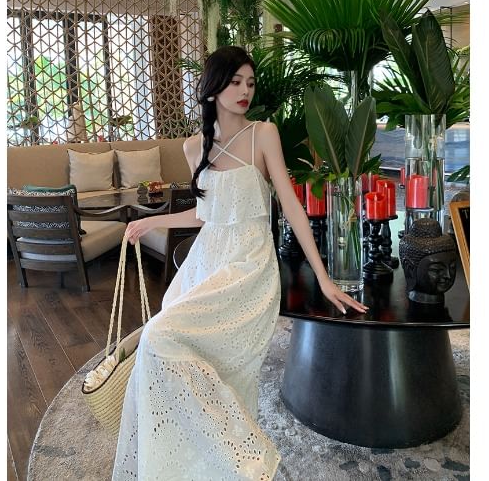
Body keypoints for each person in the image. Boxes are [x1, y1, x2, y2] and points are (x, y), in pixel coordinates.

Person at [112, 45, 368, 480]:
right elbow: (205, 213)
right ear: (213, 88)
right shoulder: (193, 147)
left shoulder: (262, 134)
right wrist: (150, 221)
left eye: (249, 82)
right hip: (206, 260)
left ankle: (240, 454)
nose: (245, 90)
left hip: (248, 264)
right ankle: (195, 463)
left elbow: (291, 206)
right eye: (235, 82)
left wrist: (324, 278)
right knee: (174, 347)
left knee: (162, 337)